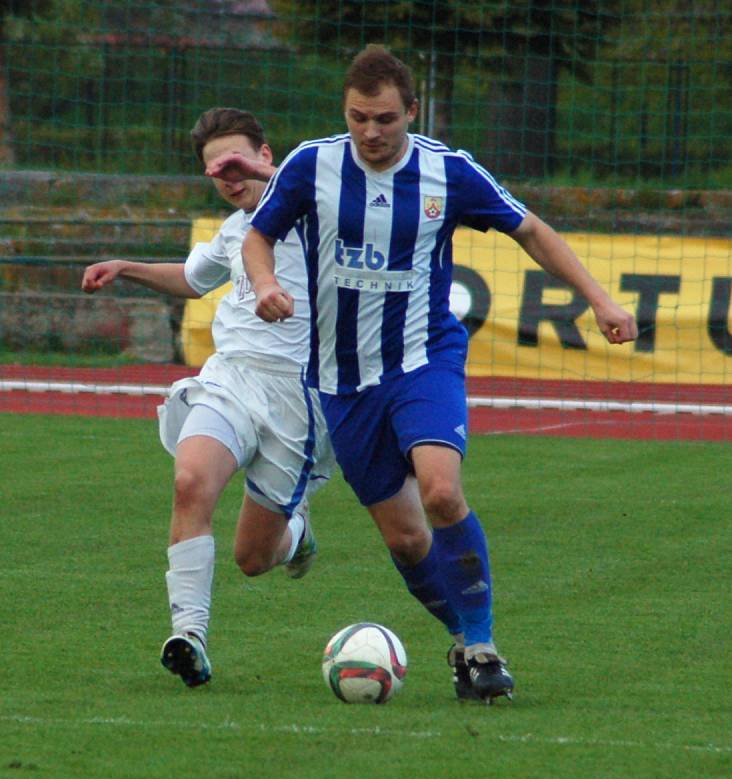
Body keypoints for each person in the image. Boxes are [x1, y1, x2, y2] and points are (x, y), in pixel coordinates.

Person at [212, 45, 637, 704]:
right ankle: (468, 642)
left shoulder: (448, 172)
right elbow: (257, 236)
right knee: (409, 539)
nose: (372, 133)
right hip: (341, 380)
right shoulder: (310, 165)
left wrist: (600, 298)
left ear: (411, 110)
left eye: (385, 118)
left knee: (440, 492)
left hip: (422, 361)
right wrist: (264, 283)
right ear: (345, 114)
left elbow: (530, 231)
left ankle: (483, 647)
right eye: (359, 118)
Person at [81, 107, 334, 688]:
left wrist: (271, 179)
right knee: (190, 480)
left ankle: (296, 536)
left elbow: (326, 177)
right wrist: (126, 267)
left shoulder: (320, 207)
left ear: (267, 157)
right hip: (229, 380)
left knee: (253, 558)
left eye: (238, 162)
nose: (228, 175)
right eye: (215, 169)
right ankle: (189, 634)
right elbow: (193, 281)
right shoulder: (232, 229)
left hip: (299, 396)